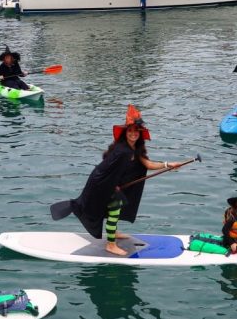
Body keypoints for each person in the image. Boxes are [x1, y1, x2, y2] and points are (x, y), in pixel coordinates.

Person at [68, 105, 186, 256]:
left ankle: (113, 232)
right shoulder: (122, 151)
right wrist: (112, 187)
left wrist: (169, 164)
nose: (133, 134)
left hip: (111, 183)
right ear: (125, 133)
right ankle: (110, 245)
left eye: (136, 131)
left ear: (140, 133)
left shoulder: (135, 149)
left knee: (115, 207)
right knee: (115, 207)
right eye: (130, 131)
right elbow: (105, 172)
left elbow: (148, 164)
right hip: (102, 182)